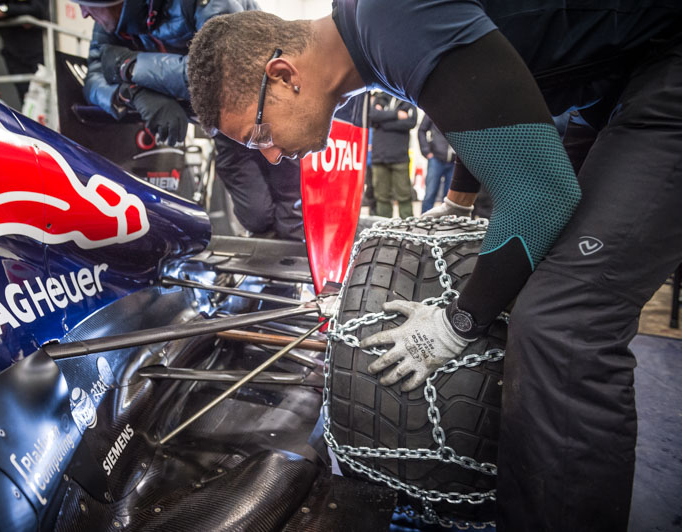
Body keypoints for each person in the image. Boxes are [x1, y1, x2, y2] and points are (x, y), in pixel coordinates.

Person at [186, 3, 682, 530]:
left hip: (661, 63)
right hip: (613, 81)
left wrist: (456, 324)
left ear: (282, 76)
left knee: (566, 322)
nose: (270, 156)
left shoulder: (390, 16)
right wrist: (460, 200)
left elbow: (542, 193)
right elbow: (487, 88)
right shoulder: (375, 30)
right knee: (520, 273)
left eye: (258, 134)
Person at [73, 0, 303, 240]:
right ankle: (271, 265)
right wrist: (133, 93)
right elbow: (94, 78)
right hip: (223, 126)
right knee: (256, 216)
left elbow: (224, 73)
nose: (84, 13)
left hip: (270, 113)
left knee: (290, 210)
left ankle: (296, 265)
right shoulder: (111, 22)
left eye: (87, 3)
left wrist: (130, 66)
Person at [0, 0, 49, 104]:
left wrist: (5, 10)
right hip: (13, 51)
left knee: (46, 97)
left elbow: (38, 9)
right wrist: (18, 12)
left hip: (39, 49)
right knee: (26, 99)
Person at [368, 92, 417, 218]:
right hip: (379, 156)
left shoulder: (408, 99)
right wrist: (396, 115)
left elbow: (411, 122)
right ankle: (384, 227)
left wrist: (382, 122)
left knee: (404, 195)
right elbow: (373, 115)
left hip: (400, 157)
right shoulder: (380, 97)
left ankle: (408, 227)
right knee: (381, 196)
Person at [417, 113, 464, 216]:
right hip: (436, 159)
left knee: (450, 198)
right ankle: (423, 222)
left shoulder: (460, 111)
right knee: (430, 193)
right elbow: (421, 130)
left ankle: (447, 224)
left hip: (454, 161)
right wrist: (426, 151)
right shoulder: (434, 109)